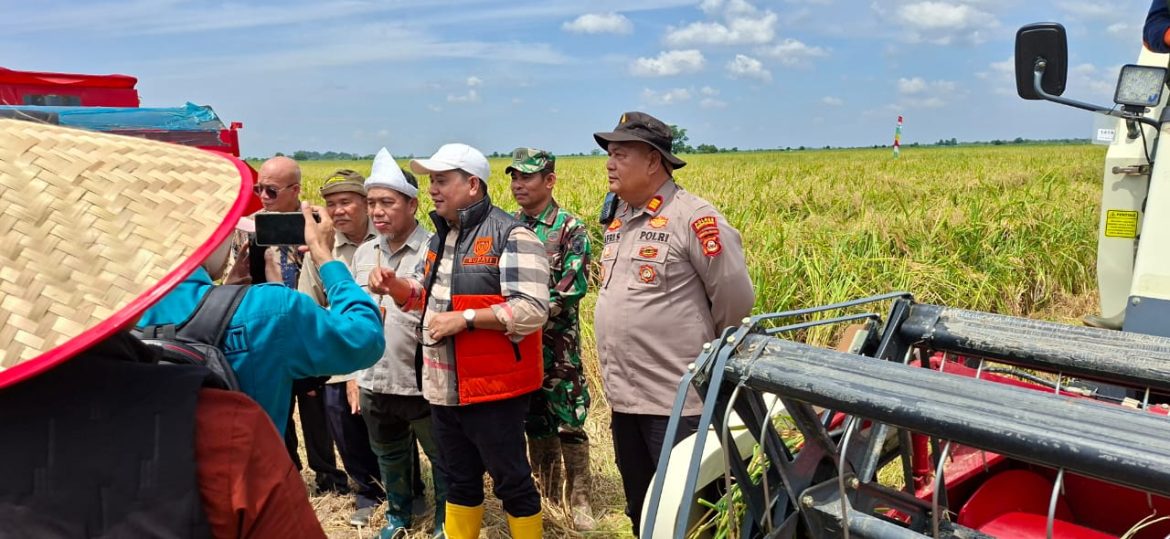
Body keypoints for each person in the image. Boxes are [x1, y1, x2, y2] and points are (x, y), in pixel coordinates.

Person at [0, 118, 326, 537]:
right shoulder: (221, 433)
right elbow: (361, 337)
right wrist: (326, 254)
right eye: (260, 189)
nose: (263, 198)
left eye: (271, 190)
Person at [368, 142, 549, 539]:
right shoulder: (439, 239)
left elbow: (533, 309)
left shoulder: (512, 236)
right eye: (431, 180)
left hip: (493, 389)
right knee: (458, 481)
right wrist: (395, 285)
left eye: (442, 180)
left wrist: (465, 319)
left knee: (512, 482)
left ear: (472, 185)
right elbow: (421, 297)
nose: (432, 188)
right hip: (442, 387)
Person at [592, 111, 755, 535]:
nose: (609, 163)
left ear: (653, 160)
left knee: (688, 516)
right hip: (625, 400)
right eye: (609, 153)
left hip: (678, 403)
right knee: (642, 510)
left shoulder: (694, 218)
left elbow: (735, 300)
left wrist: (707, 362)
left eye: (620, 154)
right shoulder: (619, 219)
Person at [351, 148, 448, 538]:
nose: (377, 211)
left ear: (412, 204)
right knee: (389, 454)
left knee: (441, 456)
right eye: (372, 202)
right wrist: (353, 375)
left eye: (387, 202)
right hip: (375, 375)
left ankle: (445, 521)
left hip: (421, 376)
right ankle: (398, 516)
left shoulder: (434, 249)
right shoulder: (363, 253)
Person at [506, 147, 596, 530]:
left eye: (526, 177)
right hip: (519, 347)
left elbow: (571, 288)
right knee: (534, 420)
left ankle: (580, 502)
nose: (518, 184)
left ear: (550, 180)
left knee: (569, 419)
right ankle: (546, 494)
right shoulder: (506, 228)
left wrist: (524, 316)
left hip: (558, 346)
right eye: (514, 177)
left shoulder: (569, 229)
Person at [297, 169, 385, 526]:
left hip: (385, 353)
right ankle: (367, 491)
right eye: (331, 205)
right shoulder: (320, 251)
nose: (338, 211)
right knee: (345, 429)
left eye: (346, 202)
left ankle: (405, 490)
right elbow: (308, 304)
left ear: (366, 204)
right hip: (340, 355)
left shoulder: (386, 242)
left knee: (392, 428)